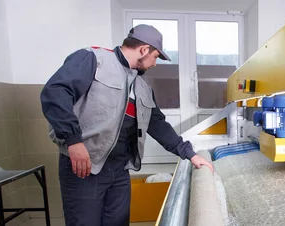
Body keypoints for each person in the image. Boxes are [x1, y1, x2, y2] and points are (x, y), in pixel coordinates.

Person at [40, 24, 213, 226]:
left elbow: (157, 125)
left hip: (119, 169)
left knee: (119, 222)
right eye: (155, 56)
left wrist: (190, 154)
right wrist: (73, 141)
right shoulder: (93, 60)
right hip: (85, 166)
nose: (155, 63)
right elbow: (55, 92)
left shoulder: (142, 87)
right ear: (144, 50)